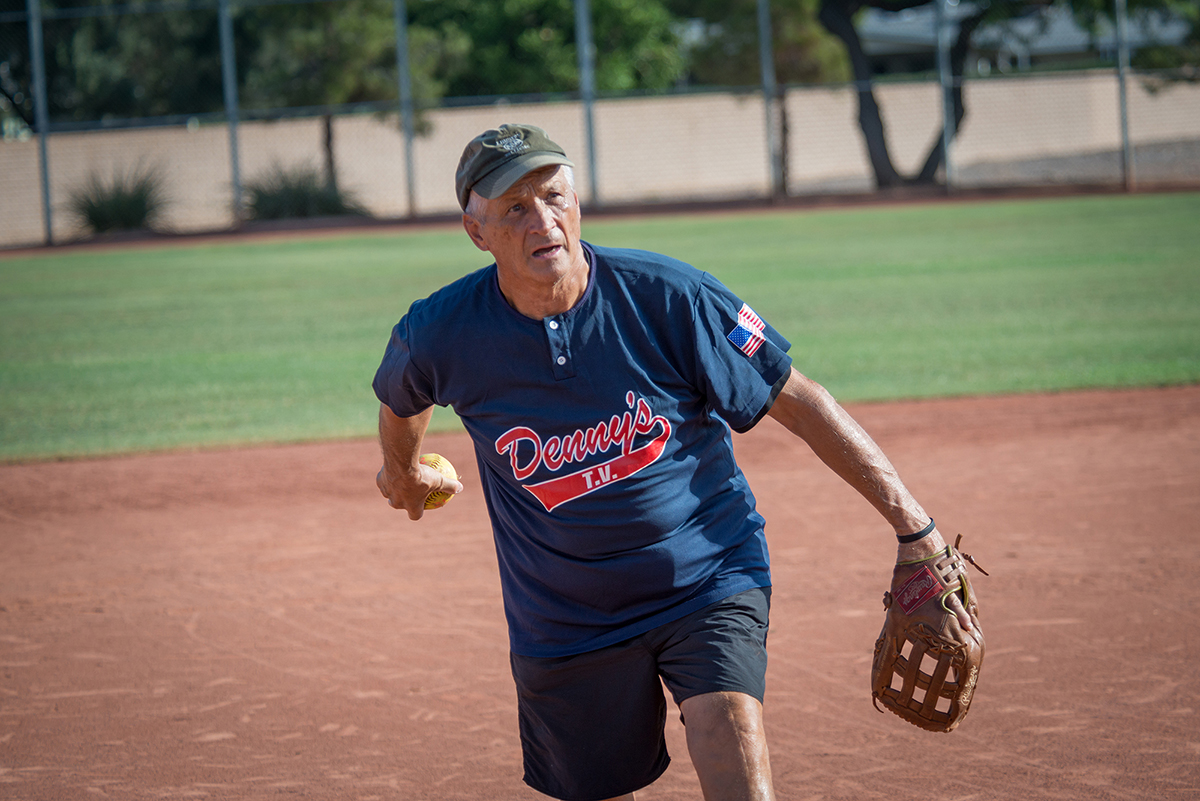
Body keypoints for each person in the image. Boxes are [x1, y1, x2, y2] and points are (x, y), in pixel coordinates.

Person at [372, 123, 973, 801]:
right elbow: (402, 394)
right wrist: (405, 472)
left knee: (728, 730)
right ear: (476, 231)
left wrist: (916, 529)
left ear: (577, 201)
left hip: (705, 574)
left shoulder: (670, 296)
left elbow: (800, 401)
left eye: (554, 196)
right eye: (515, 207)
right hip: (563, 613)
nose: (543, 220)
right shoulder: (443, 329)